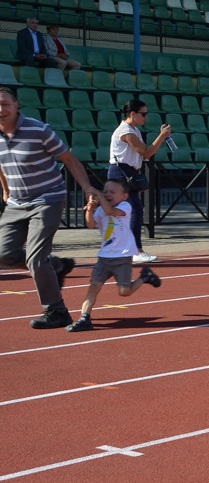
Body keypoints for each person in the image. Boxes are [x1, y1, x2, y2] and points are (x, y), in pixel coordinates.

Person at [0, 87, 97, 329]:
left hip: (48, 198)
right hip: (16, 202)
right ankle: (56, 266)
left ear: (16, 105)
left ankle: (57, 310)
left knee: (35, 258)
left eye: (4, 104)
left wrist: (87, 188)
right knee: (4, 254)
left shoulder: (38, 130)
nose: (0, 110)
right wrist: (5, 190)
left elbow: (69, 159)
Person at [66, 180, 162, 332]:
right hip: (104, 258)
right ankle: (84, 317)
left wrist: (96, 193)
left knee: (124, 292)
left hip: (122, 257)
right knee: (93, 288)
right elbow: (90, 224)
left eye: (112, 192)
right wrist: (90, 210)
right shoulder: (100, 210)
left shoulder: (125, 207)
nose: (107, 194)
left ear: (124, 196)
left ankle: (145, 277)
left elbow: (111, 212)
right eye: (105, 191)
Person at [108, 99, 172, 265]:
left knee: (128, 212)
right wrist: (161, 136)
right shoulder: (126, 131)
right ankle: (136, 252)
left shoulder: (133, 130)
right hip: (121, 172)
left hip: (125, 172)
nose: (146, 117)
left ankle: (122, 249)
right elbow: (146, 153)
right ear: (132, 114)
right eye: (143, 114)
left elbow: (145, 152)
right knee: (135, 210)